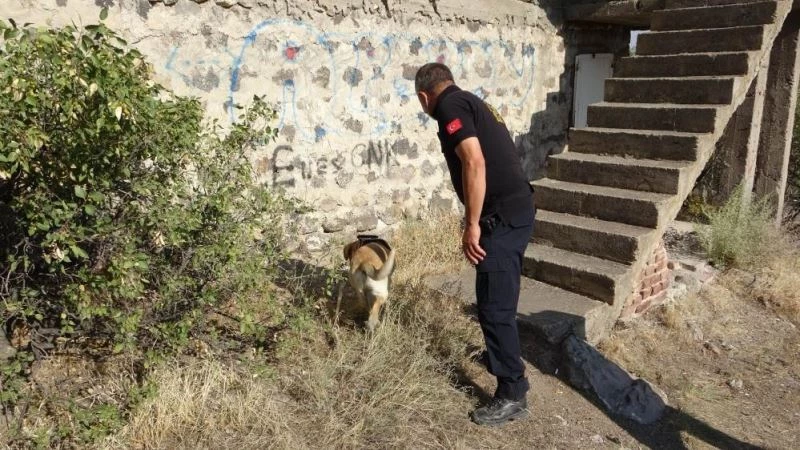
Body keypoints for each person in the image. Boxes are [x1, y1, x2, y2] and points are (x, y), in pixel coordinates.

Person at [414, 63, 536, 426]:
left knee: (493, 306)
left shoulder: (450, 108)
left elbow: (475, 163)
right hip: (518, 208)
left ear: (424, 96)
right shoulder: (470, 101)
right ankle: (504, 354)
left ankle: (513, 392)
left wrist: (471, 225)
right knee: (500, 294)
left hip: (501, 218)